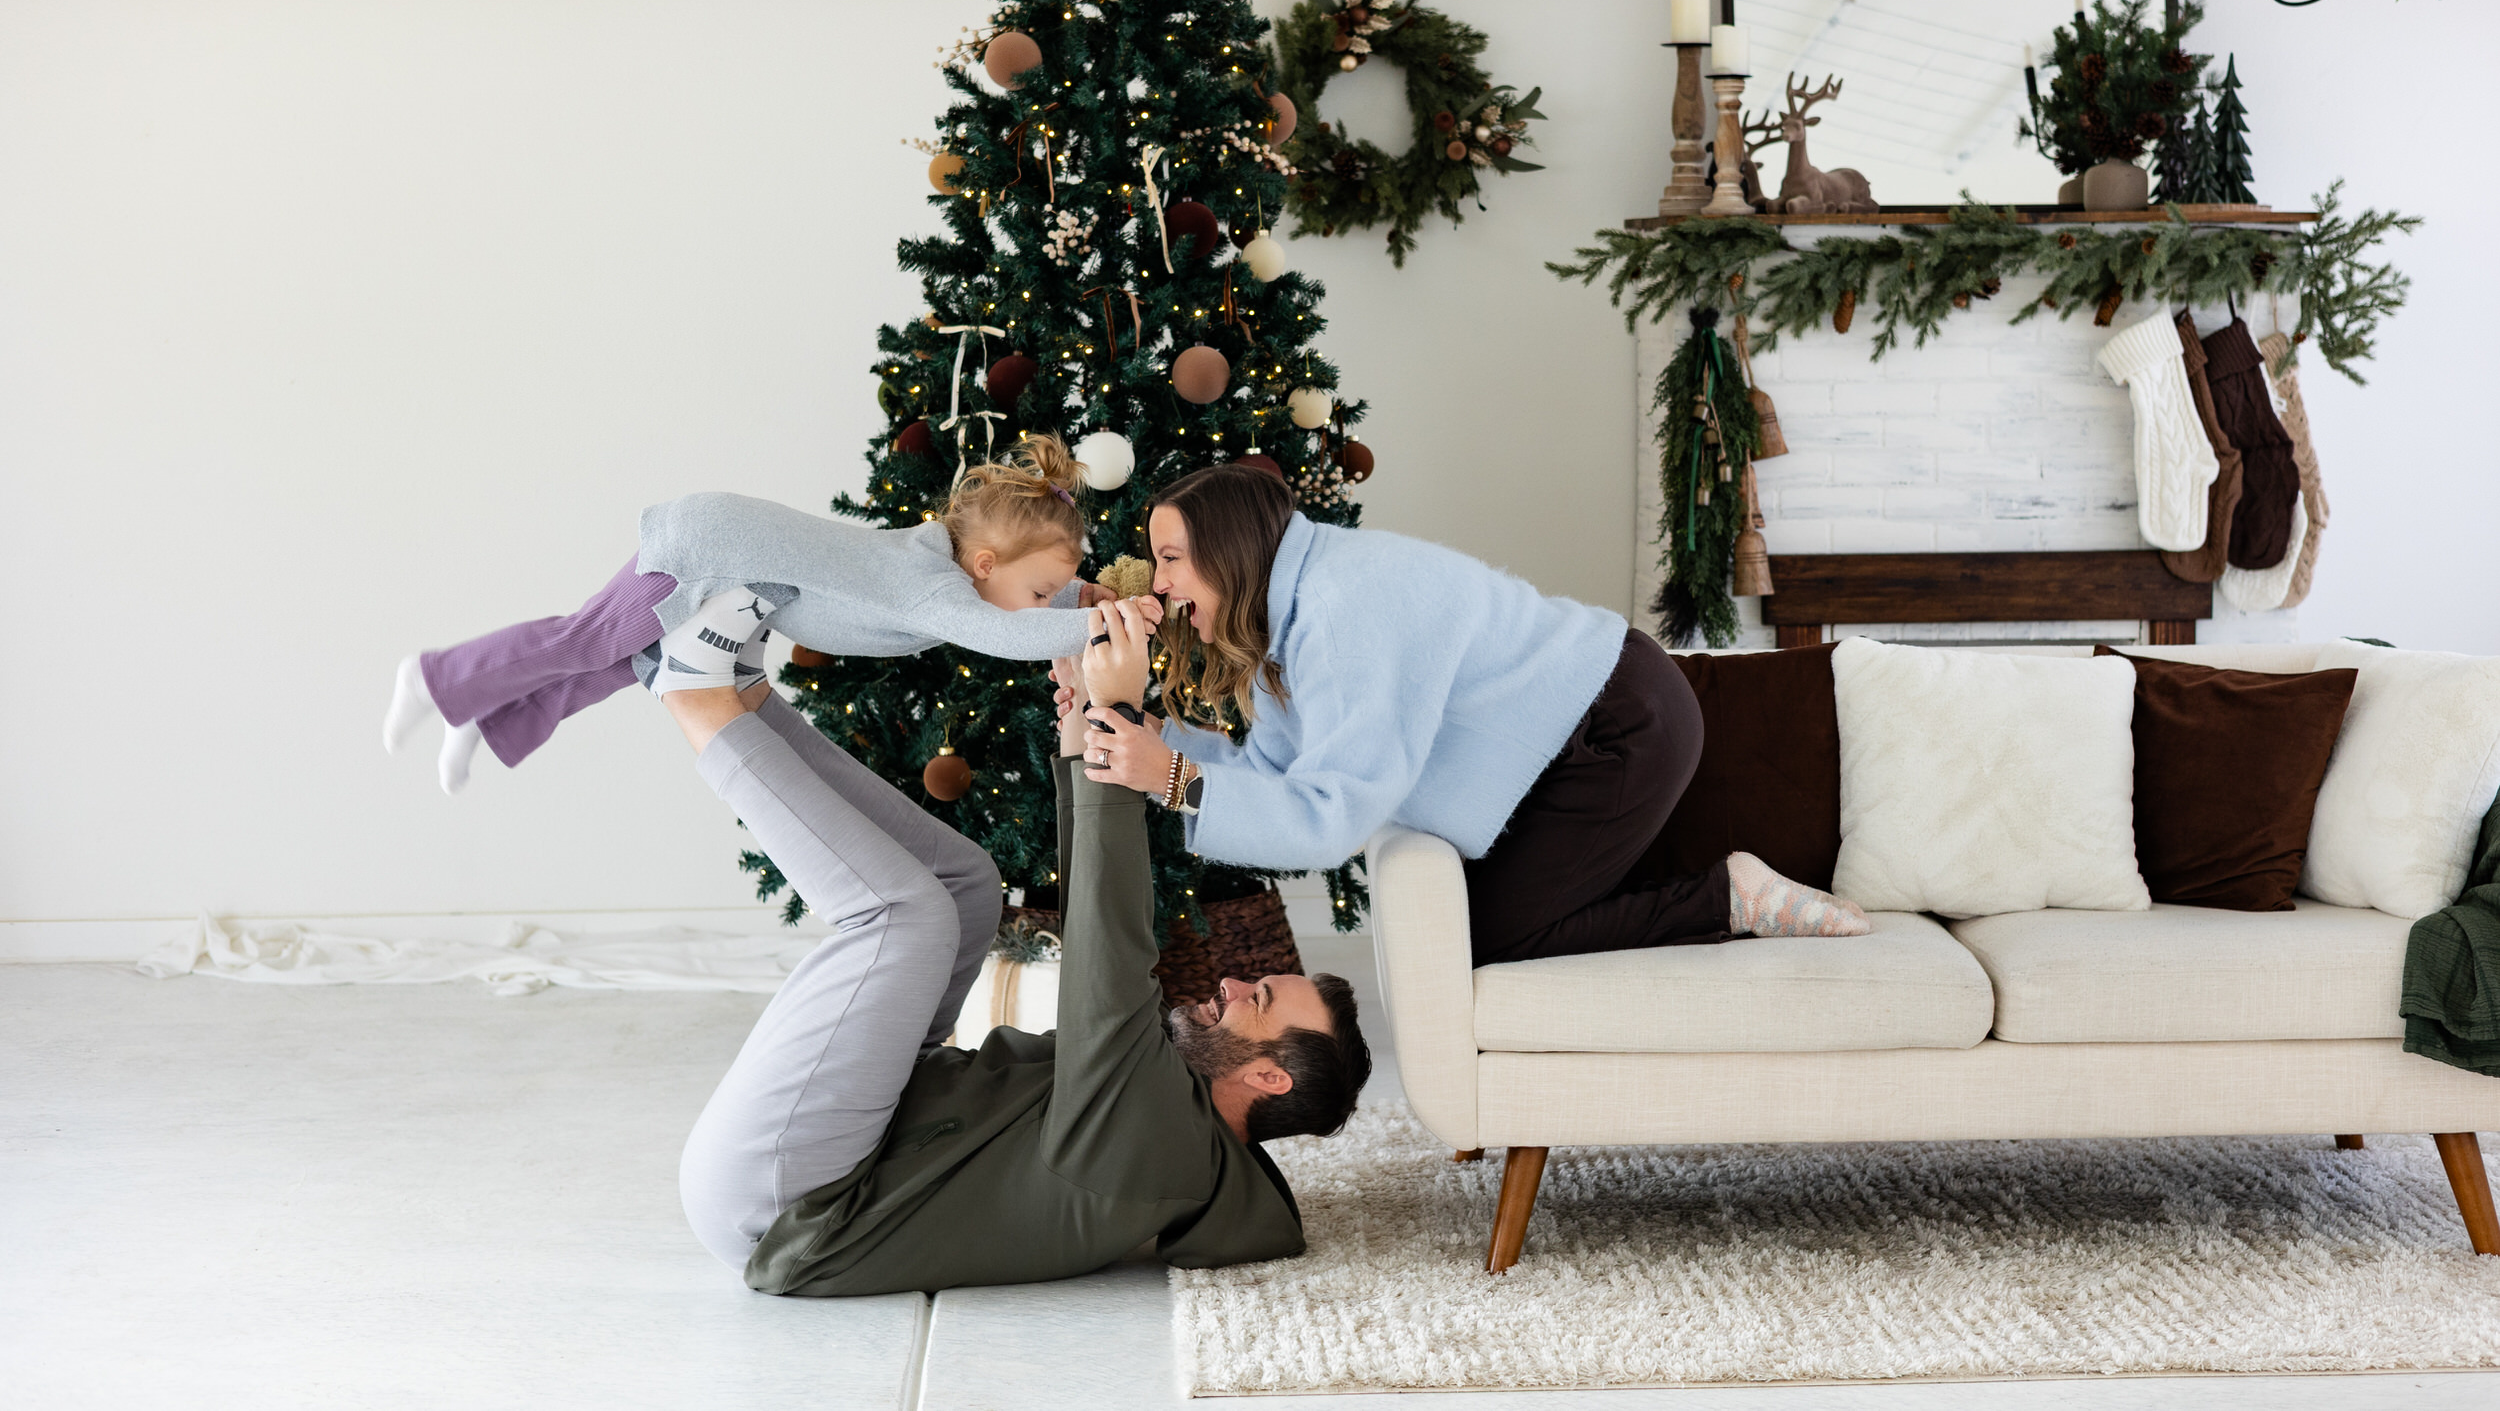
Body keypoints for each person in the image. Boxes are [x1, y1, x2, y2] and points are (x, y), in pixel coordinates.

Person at [662, 595, 1367, 1293]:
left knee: (906, 916)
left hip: (787, 1204)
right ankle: (744, 697)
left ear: (1271, 1078)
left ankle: (696, 698)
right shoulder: (1175, 1107)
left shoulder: (1166, 1150)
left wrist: (1119, 713)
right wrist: (1080, 729)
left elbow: (1109, 953)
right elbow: (1096, 911)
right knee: (966, 885)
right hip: (860, 1144)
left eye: (1262, 999)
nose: (1233, 984)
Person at [1076, 465, 1869, 965]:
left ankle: (1727, 897)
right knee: (1479, 921)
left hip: (1615, 725)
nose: (1161, 582)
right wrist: (1150, 740)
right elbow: (1278, 773)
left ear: (1231, 553)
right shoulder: (1296, 613)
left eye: (1172, 558)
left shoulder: (1342, 607)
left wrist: (1173, 777)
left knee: (1481, 936)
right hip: (1583, 725)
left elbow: (1328, 816)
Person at [381, 435, 1106, 794]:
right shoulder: (934, 588)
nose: (1048, 603)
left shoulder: (947, 573)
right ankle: (434, 676)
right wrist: (1110, 625)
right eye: (1046, 591)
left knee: (618, 665)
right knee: (586, 640)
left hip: (747, 579)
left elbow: (1016, 606)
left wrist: (1085, 599)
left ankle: (479, 710)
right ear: (985, 564)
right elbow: (1006, 631)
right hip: (709, 551)